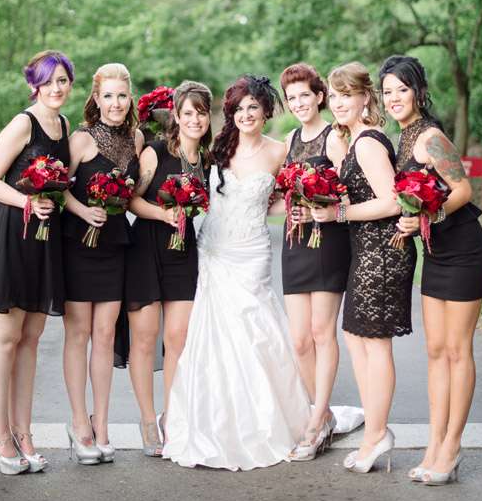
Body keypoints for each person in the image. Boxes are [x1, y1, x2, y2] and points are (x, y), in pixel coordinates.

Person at [163, 75, 311, 471]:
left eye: (253, 107)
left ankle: (265, 419)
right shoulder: (217, 149)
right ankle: (213, 421)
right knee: (213, 333)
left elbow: (280, 199)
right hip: (214, 249)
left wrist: (293, 208)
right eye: (239, 108)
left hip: (252, 251)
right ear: (231, 113)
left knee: (255, 328)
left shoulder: (279, 151)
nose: (246, 114)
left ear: (265, 111)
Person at [380, 54, 482, 486]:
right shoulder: (402, 138)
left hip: (465, 251)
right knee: (435, 352)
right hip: (436, 255)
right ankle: (433, 444)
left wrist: (428, 217)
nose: (394, 98)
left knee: (458, 351)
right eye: (387, 91)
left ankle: (452, 447)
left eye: (401, 89)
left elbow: (463, 189)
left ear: (418, 92)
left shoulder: (431, 137)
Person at [0, 50, 74, 475]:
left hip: (43, 241)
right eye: (48, 81)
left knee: (30, 339)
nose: (56, 88)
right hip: (11, 234)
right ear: (34, 84)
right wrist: (27, 202)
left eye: (62, 80)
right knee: (5, 338)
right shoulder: (23, 124)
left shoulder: (64, 125)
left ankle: (23, 433)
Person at [311, 61, 415, 474]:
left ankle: (377, 435)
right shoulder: (352, 139)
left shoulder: (369, 142)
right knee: (356, 339)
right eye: (334, 96)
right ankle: (374, 432)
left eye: (347, 95)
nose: (338, 103)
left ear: (365, 98)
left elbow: (392, 202)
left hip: (384, 252)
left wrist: (338, 212)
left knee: (375, 344)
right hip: (366, 251)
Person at [61, 63, 144, 464]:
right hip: (78, 244)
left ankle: (103, 425)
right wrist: (83, 210)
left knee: (106, 335)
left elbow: (135, 191)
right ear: (96, 98)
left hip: (113, 243)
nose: (115, 103)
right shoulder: (80, 140)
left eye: (121, 95)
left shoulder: (137, 138)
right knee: (78, 334)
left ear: (130, 99)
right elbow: (58, 188)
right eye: (108, 96)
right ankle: (79, 424)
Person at [125, 80, 213, 456]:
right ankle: (148, 420)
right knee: (145, 339)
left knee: (178, 338)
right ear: (175, 116)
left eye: (201, 113)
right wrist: (163, 214)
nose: (195, 120)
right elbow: (130, 200)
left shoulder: (207, 161)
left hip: (183, 252)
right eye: (188, 113)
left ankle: (171, 417)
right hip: (145, 248)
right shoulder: (156, 152)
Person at [278, 62, 350, 460]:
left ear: (320, 96)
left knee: (322, 333)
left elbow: (349, 193)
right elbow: (280, 195)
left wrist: (322, 208)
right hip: (294, 244)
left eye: (304, 95)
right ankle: (323, 414)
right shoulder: (289, 139)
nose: (298, 103)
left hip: (327, 243)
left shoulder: (334, 138)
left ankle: (317, 419)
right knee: (299, 340)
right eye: (291, 98)